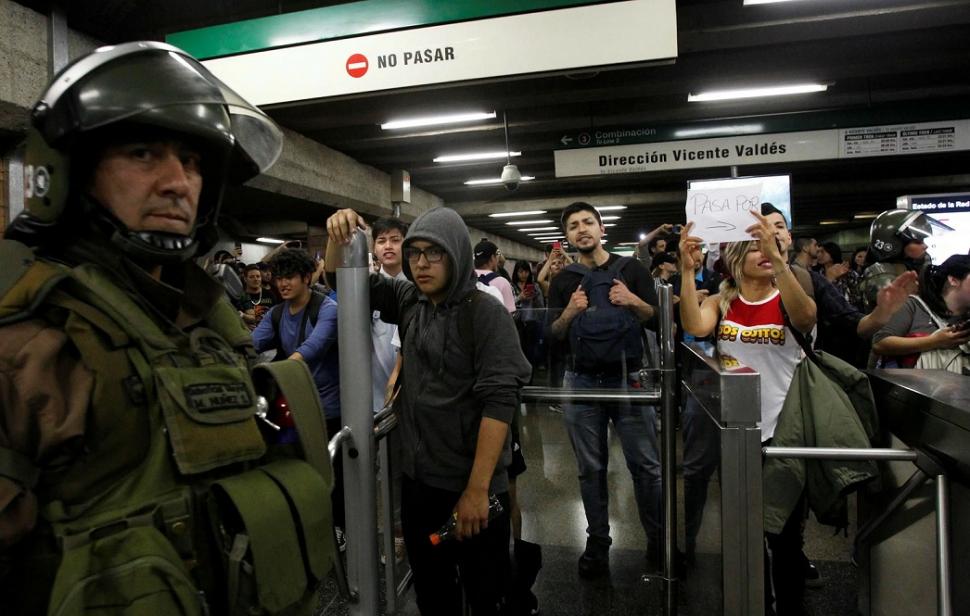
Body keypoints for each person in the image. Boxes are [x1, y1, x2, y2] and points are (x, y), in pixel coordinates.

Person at [0, 41, 336, 615]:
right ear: (68, 174)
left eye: (193, 161)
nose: (179, 182)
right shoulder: (30, 341)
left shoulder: (205, 319)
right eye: (142, 153)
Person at [325, 206, 531, 616]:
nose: (420, 263)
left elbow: (499, 402)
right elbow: (342, 280)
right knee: (433, 592)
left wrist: (477, 490)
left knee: (485, 592)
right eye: (414, 252)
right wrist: (337, 236)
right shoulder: (410, 300)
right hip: (421, 481)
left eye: (433, 253)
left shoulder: (485, 312)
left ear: (455, 254)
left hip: (472, 484)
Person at [678, 213, 817, 616]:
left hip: (784, 430)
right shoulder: (723, 301)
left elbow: (805, 317)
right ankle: (753, 602)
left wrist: (780, 261)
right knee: (746, 530)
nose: (763, 253)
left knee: (786, 535)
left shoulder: (787, 296)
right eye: (754, 247)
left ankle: (790, 605)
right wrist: (688, 273)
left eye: (768, 246)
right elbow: (694, 325)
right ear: (736, 256)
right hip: (737, 433)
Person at [546, 202, 662, 577]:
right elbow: (552, 335)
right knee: (590, 469)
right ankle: (597, 544)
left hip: (629, 378)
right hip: (581, 380)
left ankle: (659, 541)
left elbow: (660, 321)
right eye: (574, 226)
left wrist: (633, 301)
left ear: (601, 228)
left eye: (588, 222)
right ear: (567, 237)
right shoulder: (564, 280)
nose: (582, 229)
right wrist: (570, 312)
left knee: (646, 467)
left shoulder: (633, 269)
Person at [252, 248, 344, 542]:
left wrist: (272, 372)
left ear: (306, 277)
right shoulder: (277, 313)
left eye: (290, 277)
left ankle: (337, 527)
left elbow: (310, 351)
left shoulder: (327, 309)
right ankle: (303, 525)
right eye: (279, 278)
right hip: (289, 404)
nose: (282, 284)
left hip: (326, 407)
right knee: (290, 467)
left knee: (330, 473)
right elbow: (250, 344)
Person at [872, 254, 970, 372]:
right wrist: (934, 341)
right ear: (953, 280)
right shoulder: (913, 306)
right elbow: (879, 344)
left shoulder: (966, 318)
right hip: (911, 386)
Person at [512, 260, 545, 380]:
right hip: (518, 323)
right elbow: (509, 305)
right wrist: (519, 297)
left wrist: (535, 297)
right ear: (516, 272)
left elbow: (541, 306)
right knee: (520, 349)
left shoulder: (534, 286)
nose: (524, 274)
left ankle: (532, 373)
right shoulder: (512, 286)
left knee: (532, 349)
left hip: (533, 321)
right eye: (521, 271)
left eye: (526, 271)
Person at [475, 239, 517, 313]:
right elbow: (509, 314)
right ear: (492, 258)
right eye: (496, 256)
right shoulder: (502, 282)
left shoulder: (465, 280)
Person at [237, 262, 276, 330]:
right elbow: (237, 317)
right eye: (251, 277)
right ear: (245, 279)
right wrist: (244, 324)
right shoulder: (240, 297)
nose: (256, 279)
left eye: (258, 276)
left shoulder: (270, 294)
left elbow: (277, 316)